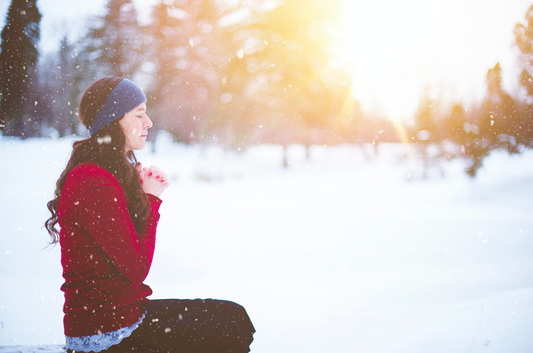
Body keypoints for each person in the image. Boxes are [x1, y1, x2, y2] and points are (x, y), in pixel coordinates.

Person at [45, 77, 255, 353]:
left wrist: (142, 196)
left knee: (233, 318)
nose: (149, 123)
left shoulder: (104, 175)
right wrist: (152, 200)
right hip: (106, 334)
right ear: (114, 120)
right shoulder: (92, 179)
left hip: (124, 318)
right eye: (139, 114)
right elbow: (136, 268)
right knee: (227, 325)